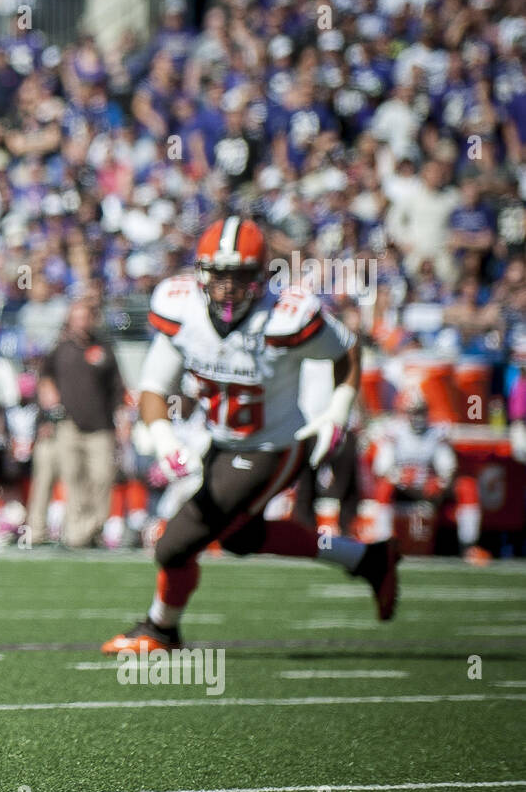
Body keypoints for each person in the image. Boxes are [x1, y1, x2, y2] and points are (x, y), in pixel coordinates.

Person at [102, 217, 401, 655]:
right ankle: (368, 559)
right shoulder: (179, 306)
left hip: (274, 447)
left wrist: (337, 413)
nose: (226, 285)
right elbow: (153, 386)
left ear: (259, 275)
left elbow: (346, 349)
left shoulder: (287, 315)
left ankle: (159, 629)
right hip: (222, 443)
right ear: (201, 272)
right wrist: (165, 441)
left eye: (239, 273)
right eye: (218, 273)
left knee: (175, 544)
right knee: (242, 538)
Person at [369, 391, 490, 564]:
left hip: (429, 486)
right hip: (402, 486)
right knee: (383, 487)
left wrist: (439, 482)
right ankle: (383, 544)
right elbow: (381, 468)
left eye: (420, 411)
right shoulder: (393, 432)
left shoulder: (436, 433)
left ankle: (469, 547)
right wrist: (399, 476)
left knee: (467, 487)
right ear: (403, 413)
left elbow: (447, 467)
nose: (417, 416)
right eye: (413, 411)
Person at [41, 299, 123, 548]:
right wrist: (49, 399)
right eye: (76, 317)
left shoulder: (104, 349)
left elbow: (118, 389)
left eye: (85, 317)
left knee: (101, 478)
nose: (80, 322)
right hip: (69, 425)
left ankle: (94, 526)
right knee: (72, 479)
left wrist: (122, 420)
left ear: (92, 319)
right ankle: (78, 534)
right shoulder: (60, 349)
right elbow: (45, 378)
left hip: (100, 427)